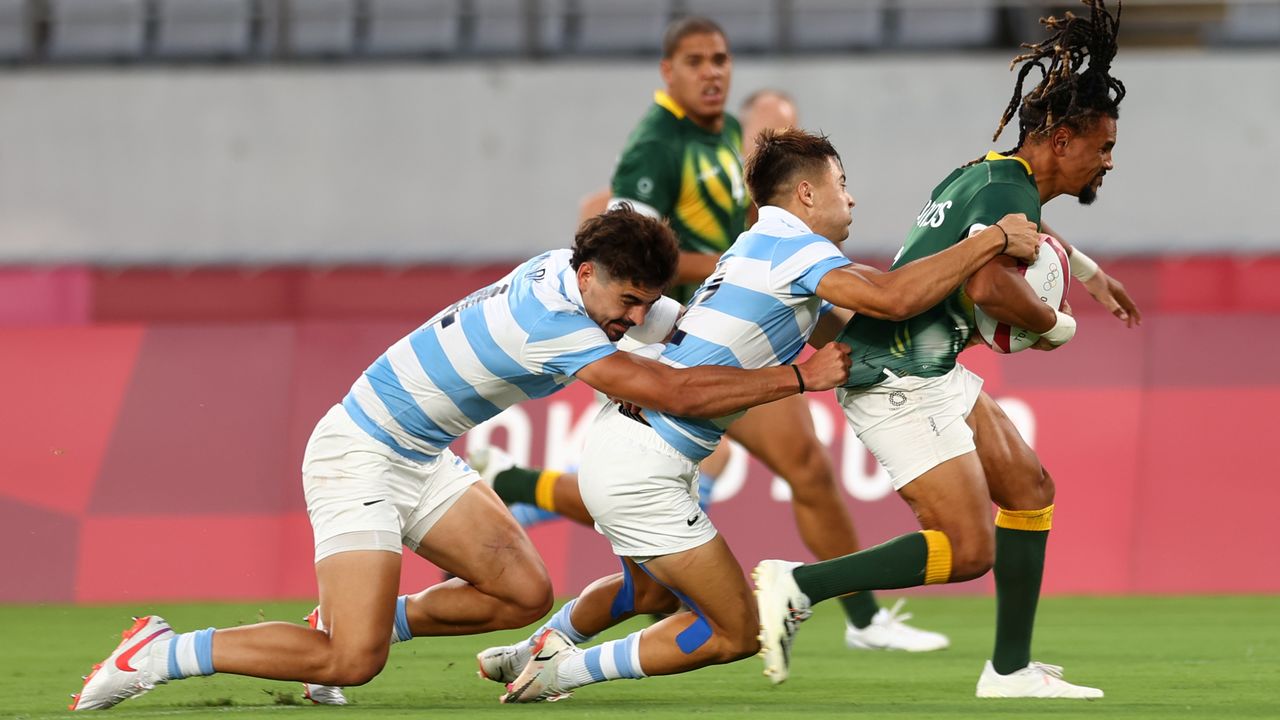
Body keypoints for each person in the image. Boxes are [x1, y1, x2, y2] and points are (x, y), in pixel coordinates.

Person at [67, 207, 857, 711]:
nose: (635, 317)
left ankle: (336, 620)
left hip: (419, 453)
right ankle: (161, 652)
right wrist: (797, 375)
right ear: (589, 278)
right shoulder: (553, 318)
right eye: (626, 303)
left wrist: (791, 306)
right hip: (359, 454)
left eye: (642, 302)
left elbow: (684, 335)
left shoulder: (577, 278)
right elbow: (668, 390)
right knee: (353, 660)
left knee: (521, 592)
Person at [480, 128, 1043, 703]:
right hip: (642, 466)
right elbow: (893, 298)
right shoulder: (795, 249)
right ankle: (562, 669)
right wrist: (991, 239)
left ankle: (529, 652)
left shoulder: (760, 247)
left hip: (627, 449)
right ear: (805, 193)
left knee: (646, 596)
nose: (850, 200)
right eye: (841, 185)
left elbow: (873, 332)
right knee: (738, 630)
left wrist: (966, 333)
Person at [490, 16, 951, 653]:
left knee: (764, 478)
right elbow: (629, 256)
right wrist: (744, 272)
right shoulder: (658, 145)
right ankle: (524, 496)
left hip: (720, 333)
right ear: (668, 72)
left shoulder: (725, 139)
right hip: (676, 341)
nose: (713, 72)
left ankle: (532, 543)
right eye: (698, 61)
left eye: (721, 59)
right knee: (714, 474)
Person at [752, 0, 1131, 699]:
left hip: (930, 363)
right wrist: (1053, 323)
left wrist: (1085, 271)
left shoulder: (983, 174)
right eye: (1102, 147)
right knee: (967, 550)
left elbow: (1016, 239)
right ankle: (798, 585)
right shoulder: (1006, 188)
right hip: (897, 373)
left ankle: (1010, 671)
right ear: (1061, 140)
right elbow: (989, 283)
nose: (1109, 161)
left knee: (1029, 488)